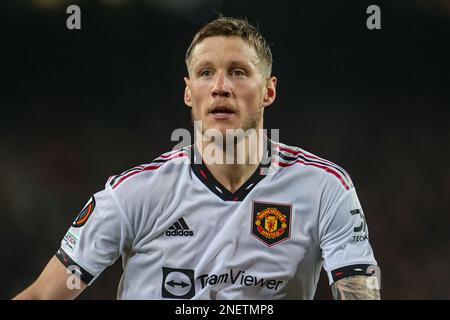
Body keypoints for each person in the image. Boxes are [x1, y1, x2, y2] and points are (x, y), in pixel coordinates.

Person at [14, 16, 380, 300]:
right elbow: (44, 294)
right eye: (206, 73)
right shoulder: (134, 194)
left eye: (237, 72)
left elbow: (359, 291)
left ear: (269, 90)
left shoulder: (323, 189)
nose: (220, 86)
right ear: (189, 93)